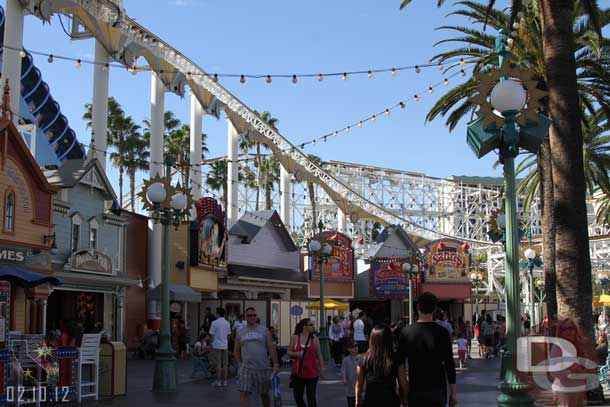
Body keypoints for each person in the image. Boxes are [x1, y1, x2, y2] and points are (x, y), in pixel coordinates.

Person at [397, 292, 457, 407]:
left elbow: (399, 364)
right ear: (434, 309)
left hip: (415, 389)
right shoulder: (443, 333)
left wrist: (404, 389)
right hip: (437, 390)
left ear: (417, 308)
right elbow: (449, 364)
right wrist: (453, 392)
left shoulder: (406, 332)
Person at [234, 307, 279, 407]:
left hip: (262, 367)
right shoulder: (240, 332)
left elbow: (271, 347)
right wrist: (239, 364)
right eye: (250, 315)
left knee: (264, 394)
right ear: (246, 317)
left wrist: (275, 363)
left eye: (254, 315)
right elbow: (236, 350)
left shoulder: (264, 330)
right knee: (244, 392)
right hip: (246, 367)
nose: (252, 317)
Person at [355, 325, 407, 407]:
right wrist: (404, 399)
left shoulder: (363, 359)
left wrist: (357, 399)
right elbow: (403, 382)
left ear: (371, 340)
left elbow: (359, 384)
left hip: (370, 401)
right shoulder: (395, 358)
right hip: (391, 401)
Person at [287, 318, 324, 407]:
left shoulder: (315, 339)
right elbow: (288, 351)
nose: (313, 327)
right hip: (298, 372)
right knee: (298, 396)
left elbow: (319, 355)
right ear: (304, 327)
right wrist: (297, 353)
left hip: (312, 372)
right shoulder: (295, 338)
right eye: (311, 325)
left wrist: (322, 369)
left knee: (311, 397)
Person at [209, 307, 231, 387]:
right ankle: (225, 381)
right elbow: (229, 335)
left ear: (218, 313)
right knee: (225, 364)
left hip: (216, 345)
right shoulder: (227, 323)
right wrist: (225, 341)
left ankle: (218, 381)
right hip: (225, 345)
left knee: (218, 364)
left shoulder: (214, 323)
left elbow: (211, 334)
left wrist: (211, 343)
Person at [340, 341, 360, 407]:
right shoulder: (346, 360)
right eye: (353, 347)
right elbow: (343, 370)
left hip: (361, 389)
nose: (355, 348)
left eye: (356, 346)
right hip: (350, 389)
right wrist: (344, 378)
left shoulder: (361, 358)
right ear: (348, 349)